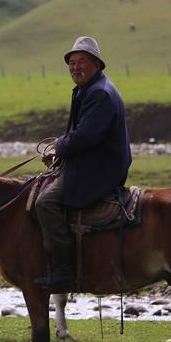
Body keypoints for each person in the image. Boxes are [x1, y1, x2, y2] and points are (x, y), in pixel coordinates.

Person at [34, 36, 131, 291]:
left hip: (100, 169)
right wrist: (61, 152)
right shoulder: (89, 89)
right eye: (71, 63)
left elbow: (87, 136)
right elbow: (82, 135)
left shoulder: (99, 93)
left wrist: (59, 146)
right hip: (93, 161)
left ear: (97, 64)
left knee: (46, 202)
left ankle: (64, 271)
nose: (75, 67)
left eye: (82, 62)